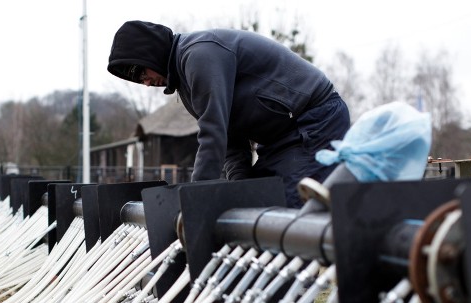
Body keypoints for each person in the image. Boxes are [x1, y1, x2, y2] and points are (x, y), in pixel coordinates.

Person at [108, 21, 350, 208]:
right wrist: (238, 187)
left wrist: (195, 200)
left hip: (315, 119)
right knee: (253, 201)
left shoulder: (199, 55)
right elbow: (230, 142)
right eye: (139, 81)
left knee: (285, 206)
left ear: (150, 52)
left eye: (142, 73)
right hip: (280, 138)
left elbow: (213, 134)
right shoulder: (186, 87)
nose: (147, 83)